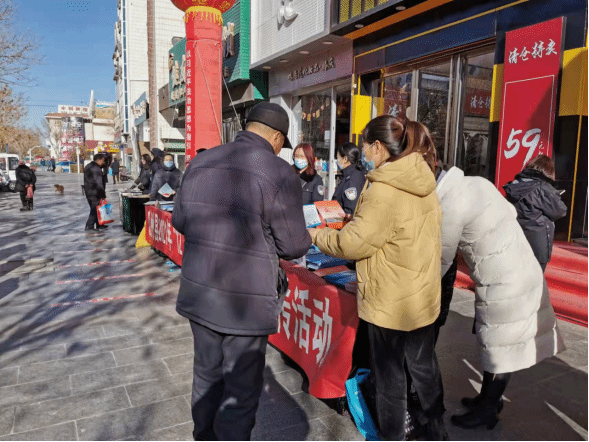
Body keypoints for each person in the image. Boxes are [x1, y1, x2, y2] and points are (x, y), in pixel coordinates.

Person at [172, 102, 311, 441]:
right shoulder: (279, 173)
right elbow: (294, 245)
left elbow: (179, 220)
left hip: (200, 293)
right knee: (240, 394)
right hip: (245, 306)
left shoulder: (200, 161)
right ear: (276, 137)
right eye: (283, 143)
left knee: (206, 378)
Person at [309, 116, 446, 441]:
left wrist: (316, 236)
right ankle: (436, 429)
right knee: (423, 368)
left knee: (391, 379)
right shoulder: (423, 179)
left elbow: (352, 243)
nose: (364, 153)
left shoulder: (384, 188)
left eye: (367, 145)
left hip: (391, 304)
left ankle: (393, 434)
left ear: (379, 146)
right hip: (422, 297)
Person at [436, 165, 565, 430]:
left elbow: (440, 259)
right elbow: (510, 212)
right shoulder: (477, 183)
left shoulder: (450, 203)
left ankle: (487, 410)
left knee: (501, 346)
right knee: (498, 344)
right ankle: (488, 400)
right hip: (520, 267)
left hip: (504, 280)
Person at [504, 155, 567, 273]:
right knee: (534, 282)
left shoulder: (515, 184)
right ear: (548, 171)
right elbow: (560, 211)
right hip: (538, 244)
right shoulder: (544, 188)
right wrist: (556, 195)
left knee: (516, 278)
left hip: (515, 241)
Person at [332, 142, 366, 215]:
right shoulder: (352, 174)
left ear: (345, 159)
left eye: (338, 158)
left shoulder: (352, 179)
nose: (336, 161)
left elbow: (350, 211)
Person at [83, 154, 108, 231]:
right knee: (94, 209)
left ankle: (99, 224)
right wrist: (103, 195)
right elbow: (99, 182)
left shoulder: (88, 166)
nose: (103, 163)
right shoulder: (96, 169)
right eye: (103, 161)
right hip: (95, 192)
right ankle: (89, 225)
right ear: (99, 159)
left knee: (96, 208)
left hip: (88, 191)